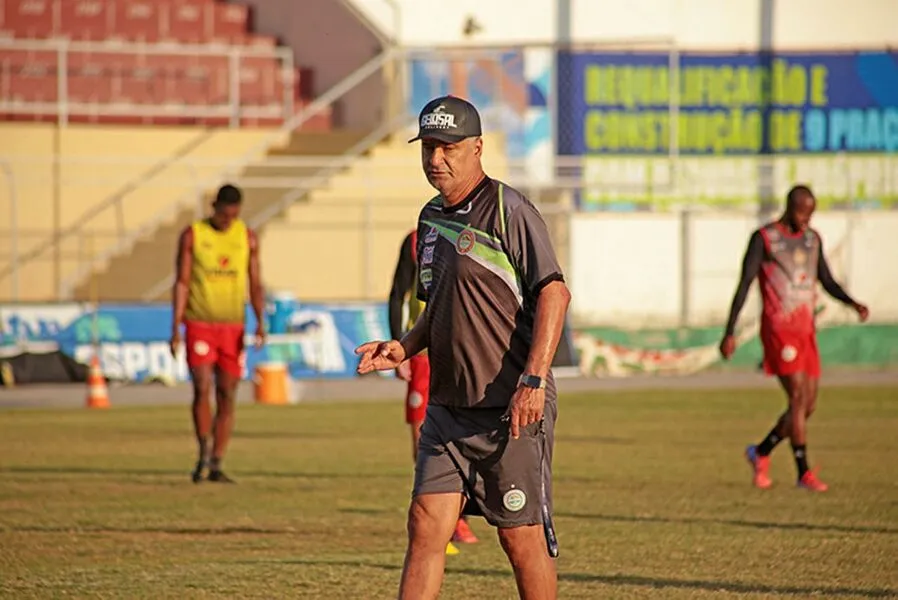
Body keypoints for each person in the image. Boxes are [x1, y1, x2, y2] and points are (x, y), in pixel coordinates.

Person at [357, 95, 571, 600]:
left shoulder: (509, 209)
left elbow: (554, 292)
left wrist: (534, 380)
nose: (436, 159)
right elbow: (438, 308)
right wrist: (403, 347)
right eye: (428, 147)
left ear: (477, 148)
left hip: (510, 408)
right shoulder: (429, 219)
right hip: (448, 411)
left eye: (448, 147)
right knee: (426, 526)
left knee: (519, 540)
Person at [719, 184, 869, 492]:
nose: (806, 220)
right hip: (778, 329)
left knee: (808, 405)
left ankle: (760, 452)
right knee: (798, 398)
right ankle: (803, 472)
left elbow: (825, 279)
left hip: (805, 330)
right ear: (789, 207)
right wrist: (729, 331)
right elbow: (745, 283)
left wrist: (852, 302)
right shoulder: (765, 239)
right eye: (802, 213)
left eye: (811, 214)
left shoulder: (813, 240)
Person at [388, 229, 479, 555]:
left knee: (465, 435)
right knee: (421, 438)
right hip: (422, 356)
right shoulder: (413, 240)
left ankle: (459, 512)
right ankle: (443, 517)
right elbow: (397, 294)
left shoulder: (470, 237)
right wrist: (399, 346)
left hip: (460, 352)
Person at [170, 184, 266, 484]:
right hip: (199, 323)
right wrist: (175, 326)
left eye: (233, 215)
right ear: (214, 207)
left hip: (233, 326)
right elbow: (182, 282)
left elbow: (255, 281)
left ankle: (216, 461)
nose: (227, 221)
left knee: (227, 393)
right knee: (201, 386)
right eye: (224, 215)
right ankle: (202, 450)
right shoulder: (194, 235)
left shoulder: (246, 237)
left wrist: (260, 321)